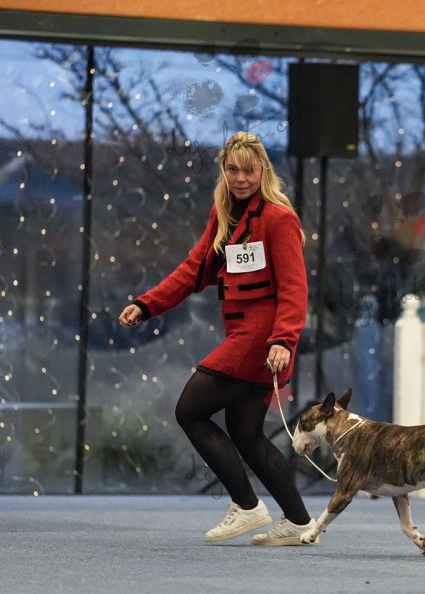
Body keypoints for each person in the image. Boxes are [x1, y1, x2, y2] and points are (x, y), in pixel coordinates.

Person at [118, 131, 316, 545]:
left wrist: (283, 339)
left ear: (263, 171)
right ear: (223, 171)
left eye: (249, 170)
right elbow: (194, 269)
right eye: (232, 170)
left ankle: (246, 506)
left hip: (262, 338)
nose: (240, 178)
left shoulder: (278, 218)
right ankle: (299, 521)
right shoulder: (225, 214)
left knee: (190, 410)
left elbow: (295, 288)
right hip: (245, 334)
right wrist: (147, 304)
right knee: (246, 434)